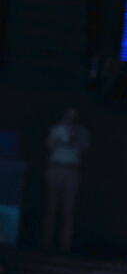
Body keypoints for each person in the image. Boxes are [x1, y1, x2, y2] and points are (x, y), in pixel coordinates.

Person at [44, 107, 90, 253]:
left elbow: (84, 148)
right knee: (51, 208)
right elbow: (49, 145)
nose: (71, 118)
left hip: (72, 171)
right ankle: (46, 244)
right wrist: (58, 139)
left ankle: (65, 247)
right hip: (56, 168)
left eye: (74, 115)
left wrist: (74, 135)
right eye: (69, 115)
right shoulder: (56, 129)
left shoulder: (83, 131)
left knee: (68, 211)